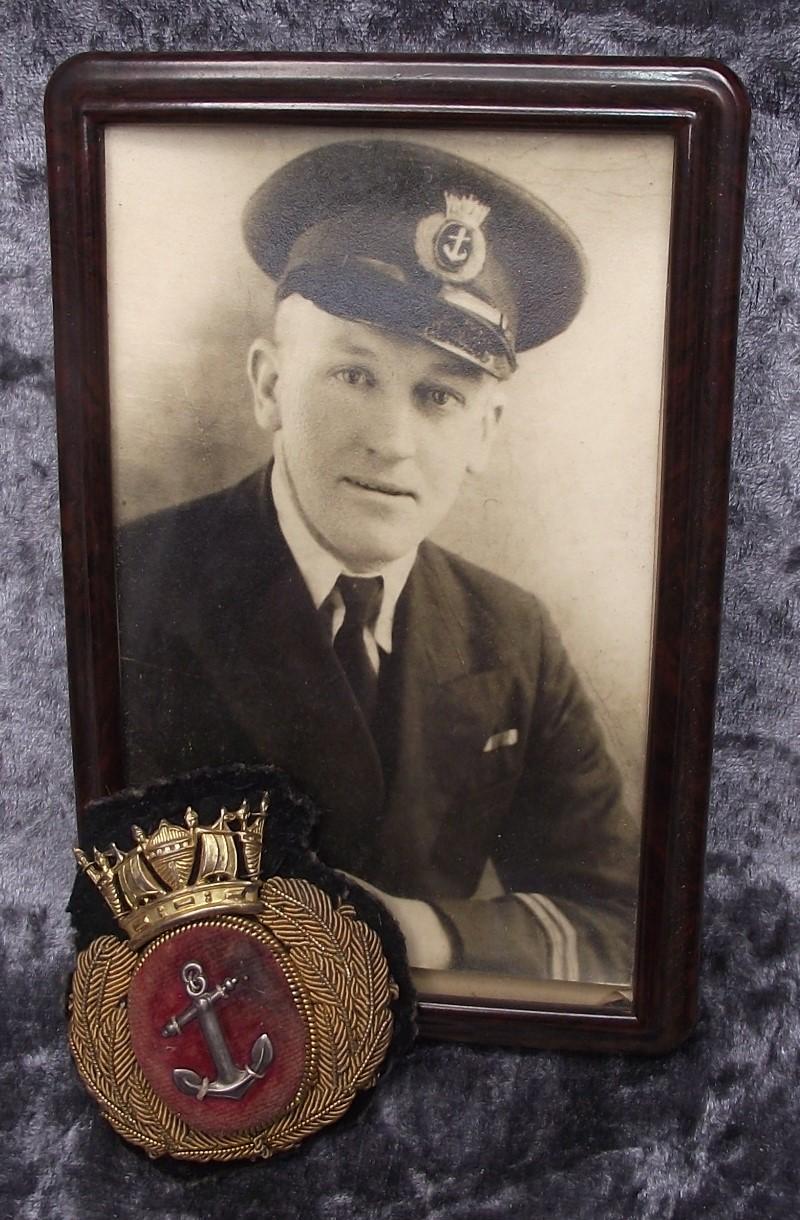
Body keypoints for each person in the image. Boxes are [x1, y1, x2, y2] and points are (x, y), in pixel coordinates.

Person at [116, 139, 639, 984]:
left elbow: (624, 922)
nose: (392, 443)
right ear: (268, 385)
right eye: (353, 375)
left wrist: (428, 936)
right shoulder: (120, 590)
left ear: (485, 434)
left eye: (440, 397)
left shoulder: (514, 637)